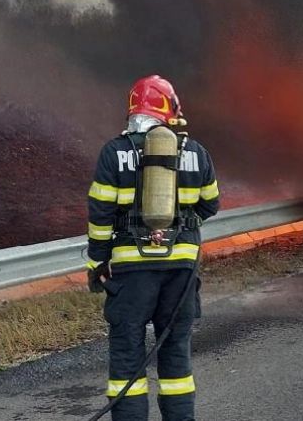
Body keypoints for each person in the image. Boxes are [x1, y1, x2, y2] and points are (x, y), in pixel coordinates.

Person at [86, 75, 220, 420]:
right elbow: (210, 204)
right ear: (168, 108)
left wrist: (98, 264)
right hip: (181, 271)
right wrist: (181, 229)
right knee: (176, 354)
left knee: (128, 357)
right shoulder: (195, 152)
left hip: (131, 270)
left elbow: (100, 214)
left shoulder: (114, 153)